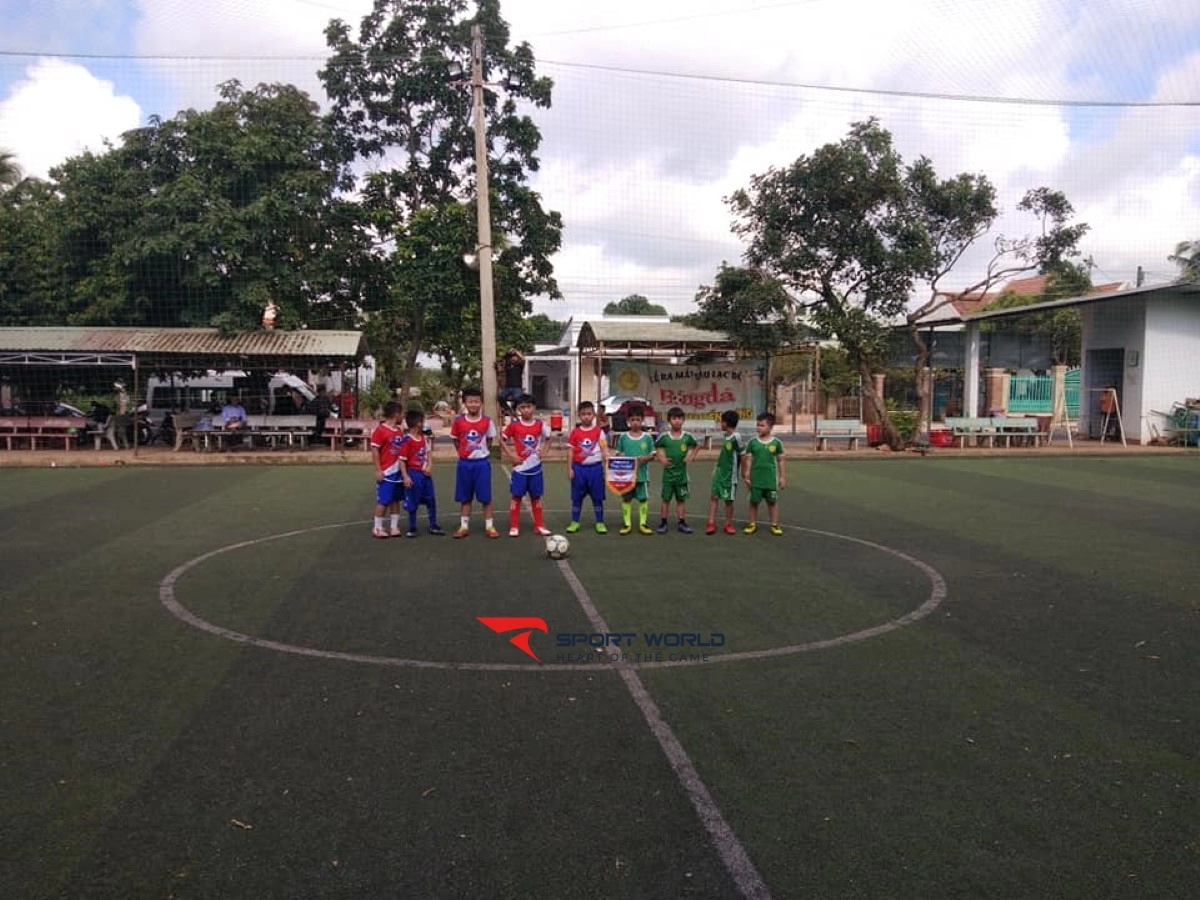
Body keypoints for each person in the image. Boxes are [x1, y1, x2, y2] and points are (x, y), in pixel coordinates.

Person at [450, 386, 500, 538]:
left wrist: (483, 452)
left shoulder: (486, 421)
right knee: (465, 497)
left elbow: (490, 439)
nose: (473, 404)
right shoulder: (459, 422)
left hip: (481, 464)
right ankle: (464, 526)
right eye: (470, 401)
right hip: (465, 464)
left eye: (476, 401)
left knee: (486, 497)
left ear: (481, 403)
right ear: (464, 403)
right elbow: (455, 440)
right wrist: (463, 453)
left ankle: (490, 526)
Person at [500, 393, 552, 537]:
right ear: (518, 410)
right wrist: (511, 455)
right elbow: (502, 439)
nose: (526, 410)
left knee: (536, 497)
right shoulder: (514, 425)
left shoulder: (540, 424)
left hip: (536, 468)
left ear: (534, 407)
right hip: (520, 469)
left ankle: (539, 525)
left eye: (528, 407)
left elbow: (549, 438)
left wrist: (544, 452)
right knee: (516, 497)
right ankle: (514, 526)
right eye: (522, 407)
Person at [397, 408, 445, 538]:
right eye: (422, 421)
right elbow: (402, 460)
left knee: (431, 499)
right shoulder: (407, 440)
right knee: (413, 501)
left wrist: (430, 465)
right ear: (418, 423)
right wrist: (405, 476)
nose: (424, 423)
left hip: (425, 475)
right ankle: (412, 527)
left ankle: (433, 524)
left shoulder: (425, 438)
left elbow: (429, 454)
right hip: (414, 474)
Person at [654, 406, 700, 533]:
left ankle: (682, 522)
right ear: (669, 420)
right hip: (668, 475)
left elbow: (696, 446)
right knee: (666, 499)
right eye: (674, 418)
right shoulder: (664, 437)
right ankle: (663, 523)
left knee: (681, 499)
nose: (677, 421)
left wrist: (691, 456)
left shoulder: (687, 437)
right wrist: (661, 458)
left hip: (682, 476)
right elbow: (657, 447)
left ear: (683, 420)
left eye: (679, 418)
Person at [566, 400, 608, 534]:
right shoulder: (575, 433)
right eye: (583, 414)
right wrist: (569, 468)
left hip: (596, 470)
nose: (586, 416)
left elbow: (604, 449)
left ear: (594, 415)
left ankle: (600, 522)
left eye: (589, 414)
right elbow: (570, 452)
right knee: (576, 498)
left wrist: (608, 465)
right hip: (579, 470)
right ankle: (575, 522)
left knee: (598, 498)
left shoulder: (599, 432)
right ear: (579, 415)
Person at [614, 404, 657, 535]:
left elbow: (653, 455)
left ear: (642, 420)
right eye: (632, 420)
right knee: (626, 499)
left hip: (642, 476)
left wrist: (646, 458)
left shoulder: (647, 437)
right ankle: (627, 524)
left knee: (643, 499)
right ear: (628, 421)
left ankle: (643, 523)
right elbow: (617, 454)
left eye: (638, 419)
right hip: (626, 477)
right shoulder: (623, 437)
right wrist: (621, 456)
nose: (635, 422)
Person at [741, 411, 786, 536]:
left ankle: (774, 524)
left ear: (770, 427)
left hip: (770, 479)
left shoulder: (777, 443)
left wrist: (782, 477)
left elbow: (781, 461)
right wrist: (747, 474)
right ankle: (752, 524)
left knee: (772, 502)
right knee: (753, 502)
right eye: (757, 425)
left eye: (762, 425)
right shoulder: (752, 442)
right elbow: (748, 460)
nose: (758, 428)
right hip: (756, 479)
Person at [369, 401, 406, 538]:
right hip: (386, 472)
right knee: (384, 500)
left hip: (398, 472)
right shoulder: (380, 431)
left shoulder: (398, 431)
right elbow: (374, 450)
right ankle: (377, 528)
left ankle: (394, 526)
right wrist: (378, 470)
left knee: (395, 500)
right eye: (402, 413)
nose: (403, 416)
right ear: (396, 414)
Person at [706, 410, 744, 535]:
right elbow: (723, 455)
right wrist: (716, 467)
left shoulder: (736, 437)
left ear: (726, 423)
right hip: (719, 472)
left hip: (730, 475)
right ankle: (711, 523)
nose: (719, 424)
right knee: (714, 497)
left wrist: (745, 472)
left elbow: (742, 454)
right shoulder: (725, 437)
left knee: (728, 500)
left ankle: (728, 524)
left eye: (721, 421)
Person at [497, 348, 525, 419]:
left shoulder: (520, 365)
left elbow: (523, 359)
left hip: (517, 387)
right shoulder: (507, 365)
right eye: (513, 356)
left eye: (515, 356)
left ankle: (513, 408)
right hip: (507, 387)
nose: (514, 358)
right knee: (500, 397)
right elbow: (504, 358)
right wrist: (508, 351)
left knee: (518, 398)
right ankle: (508, 409)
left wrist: (516, 351)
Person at [311, 384, 334, 448]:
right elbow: (314, 410)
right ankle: (319, 439)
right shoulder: (316, 400)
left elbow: (330, 407)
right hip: (318, 418)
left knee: (329, 425)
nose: (323, 393)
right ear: (319, 392)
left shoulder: (326, 399)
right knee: (319, 425)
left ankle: (327, 440)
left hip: (326, 417)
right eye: (322, 391)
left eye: (324, 391)